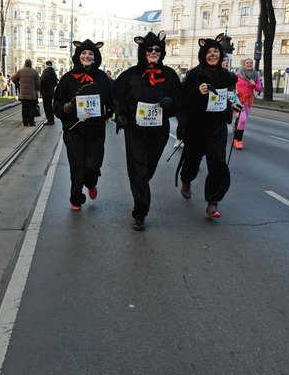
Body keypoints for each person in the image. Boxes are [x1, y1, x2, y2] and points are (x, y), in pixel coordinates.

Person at [113, 31, 182, 231]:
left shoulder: (169, 75)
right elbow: (118, 96)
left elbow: (180, 99)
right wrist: (120, 114)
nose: (153, 52)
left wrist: (171, 102)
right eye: (149, 49)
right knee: (138, 169)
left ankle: (141, 185)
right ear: (143, 51)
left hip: (159, 132)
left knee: (148, 168)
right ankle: (140, 212)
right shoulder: (130, 75)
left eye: (157, 50)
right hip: (135, 130)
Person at [176, 38, 242, 219]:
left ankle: (213, 202)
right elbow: (183, 99)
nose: (213, 55)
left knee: (218, 163)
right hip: (197, 126)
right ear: (203, 55)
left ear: (220, 54)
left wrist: (231, 105)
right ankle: (186, 180)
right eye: (209, 52)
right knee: (192, 162)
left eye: (216, 52)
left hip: (217, 126)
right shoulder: (195, 74)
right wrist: (197, 92)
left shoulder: (225, 75)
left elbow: (221, 97)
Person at [53, 40, 113, 210]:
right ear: (78, 56)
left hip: (96, 131)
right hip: (74, 129)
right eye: (84, 53)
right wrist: (64, 108)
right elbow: (57, 102)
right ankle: (76, 198)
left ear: (95, 57)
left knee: (92, 165)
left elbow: (112, 99)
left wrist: (110, 112)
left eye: (90, 54)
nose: (87, 56)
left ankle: (91, 184)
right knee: (77, 165)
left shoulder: (102, 78)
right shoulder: (68, 78)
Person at [234, 58, 261, 150]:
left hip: (248, 101)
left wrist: (254, 84)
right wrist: (235, 91)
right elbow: (230, 84)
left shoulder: (255, 76)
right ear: (244, 64)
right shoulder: (238, 75)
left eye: (251, 63)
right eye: (247, 63)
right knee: (242, 120)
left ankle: (236, 137)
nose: (249, 64)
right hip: (238, 100)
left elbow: (259, 88)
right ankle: (238, 140)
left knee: (242, 121)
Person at [11, 59, 40, 126]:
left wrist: (18, 85)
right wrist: (37, 90)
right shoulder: (35, 72)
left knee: (24, 108)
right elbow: (38, 83)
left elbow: (13, 78)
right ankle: (31, 122)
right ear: (31, 64)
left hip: (23, 94)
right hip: (32, 94)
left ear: (25, 63)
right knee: (31, 108)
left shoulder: (20, 71)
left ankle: (25, 122)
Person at [40, 60, 59, 125]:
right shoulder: (53, 72)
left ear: (46, 65)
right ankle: (51, 119)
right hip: (51, 92)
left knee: (46, 106)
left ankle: (50, 120)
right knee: (50, 106)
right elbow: (56, 82)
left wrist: (41, 89)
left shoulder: (45, 72)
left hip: (45, 92)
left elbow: (42, 82)